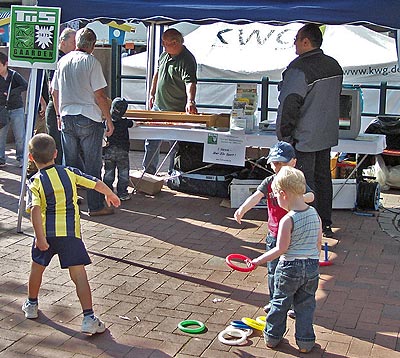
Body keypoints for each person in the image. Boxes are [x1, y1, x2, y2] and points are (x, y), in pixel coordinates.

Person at [22, 133, 120, 334]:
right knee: (79, 275)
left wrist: (40, 238)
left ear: (31, 158)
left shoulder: (34, 181)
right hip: (69, 234)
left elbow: (35, 210)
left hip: (45, 235)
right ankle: (88, 317)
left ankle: (31, 304)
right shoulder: (68, 172)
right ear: (55, 154)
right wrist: (109, 193)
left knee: (36, 269)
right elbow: (94, 182)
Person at [275, 23, 343, 238]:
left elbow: (289, 103)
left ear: (306, 41)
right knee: (324, 179)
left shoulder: (299, 68)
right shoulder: (334, 65)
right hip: (326, 133)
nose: (294, 43)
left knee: (304, 183)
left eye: (296, 39)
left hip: (304, 136)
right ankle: (325, 223)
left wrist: (284, 137)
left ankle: (308, 228)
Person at [234, 141, 314, 317]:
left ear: (293, 162)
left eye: (282, 163)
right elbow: (256, 196)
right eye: (274, 163)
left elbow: (311, 195)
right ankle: (275, 301)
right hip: (274, 234)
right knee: (273, 271)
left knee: (292, 271)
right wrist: (242, 209)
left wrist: (298, 196)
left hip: (294, 235)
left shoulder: (295, 181)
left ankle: (292, 304)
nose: (277, 167)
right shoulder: (269, 181)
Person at [250, 166, 322, 353]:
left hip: (289, 267)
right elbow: (318, 244)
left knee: (280, 302)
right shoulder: (315, 214)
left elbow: (280, 249)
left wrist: (258, 260)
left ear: (283, 194)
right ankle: (306, 343)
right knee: (306, 305)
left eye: (275, 196)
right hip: (312, 267)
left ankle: (273, 337)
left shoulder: (287, 220)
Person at [52, 28, 115, 216]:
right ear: (93, 45)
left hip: (66, 116)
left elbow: (54, 91)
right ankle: (95, 206)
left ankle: (69, 203)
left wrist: (58, 115)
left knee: (69, 163)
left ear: (77, 42)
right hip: (89, 116)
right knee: (92, 164)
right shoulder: (91, 62)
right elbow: (100, 95)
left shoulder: (62, 61)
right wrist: (109, 120)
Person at [143, 28, 197, 175]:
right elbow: (157, 73)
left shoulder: (187, 59)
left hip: (176, 108)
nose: (162, 45)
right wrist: (152, 92)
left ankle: (173, 173)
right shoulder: (164, 55)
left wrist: (190, 101)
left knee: (175, 144)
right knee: (151, 140)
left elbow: (190, 82)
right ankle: (148, 172)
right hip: (159, 106)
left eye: (165, 43)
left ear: (175, 43)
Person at [46, 28, 76, 165]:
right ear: (63, 42)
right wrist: (58, 115)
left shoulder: (66, 59)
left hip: (64, 106)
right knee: (57, 146)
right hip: (57, 106)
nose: (76, 46)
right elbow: (54, 90)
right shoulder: (58, 60)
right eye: (73, 42)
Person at [0, 52, 28, 167]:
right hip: (2, 109)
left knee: (20, 135)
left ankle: (21, 157)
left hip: (16, 107)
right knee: (1, 135)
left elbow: (25, 85)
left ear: (5, 64)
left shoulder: (14, 75)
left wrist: (12, 93)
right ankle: (1, 159)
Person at [103, 97, 134, 201]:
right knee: (123, 173)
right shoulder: (125, 122)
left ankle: (108, 192)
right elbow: (133, 124)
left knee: (108, 172)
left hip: (108, 151)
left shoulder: (106, 122)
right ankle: (122, 193)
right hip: (123, 151)